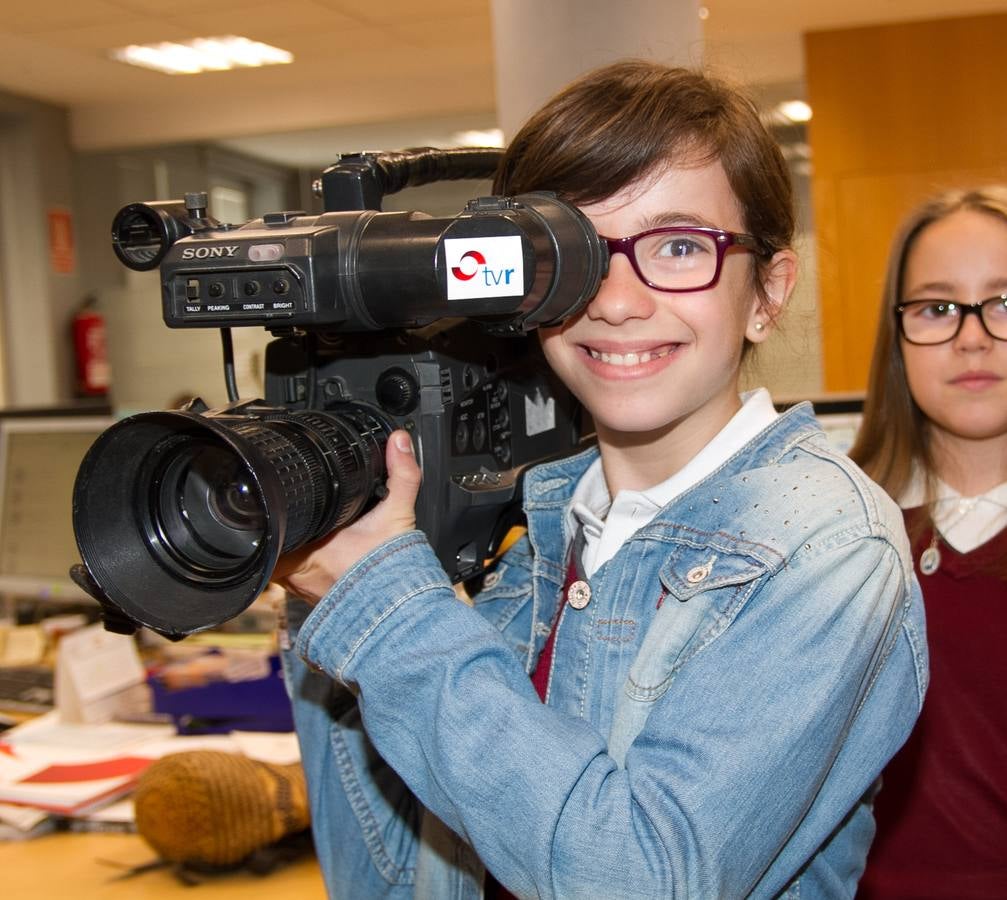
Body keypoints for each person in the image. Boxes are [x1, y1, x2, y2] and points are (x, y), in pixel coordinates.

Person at [274, 60, 927, 899]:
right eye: (573, 254)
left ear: (766, 293)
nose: (616, 301)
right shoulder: (535, 525)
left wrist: (390, 615)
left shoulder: (827, 548)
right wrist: (328, 589)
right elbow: (400, 868)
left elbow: (639, 877)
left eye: (679, 247)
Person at [851, 187, 1007, 899]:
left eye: (1003, 302)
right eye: (937, 308)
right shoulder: (831, 529)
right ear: (897, 335)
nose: (972, 337)